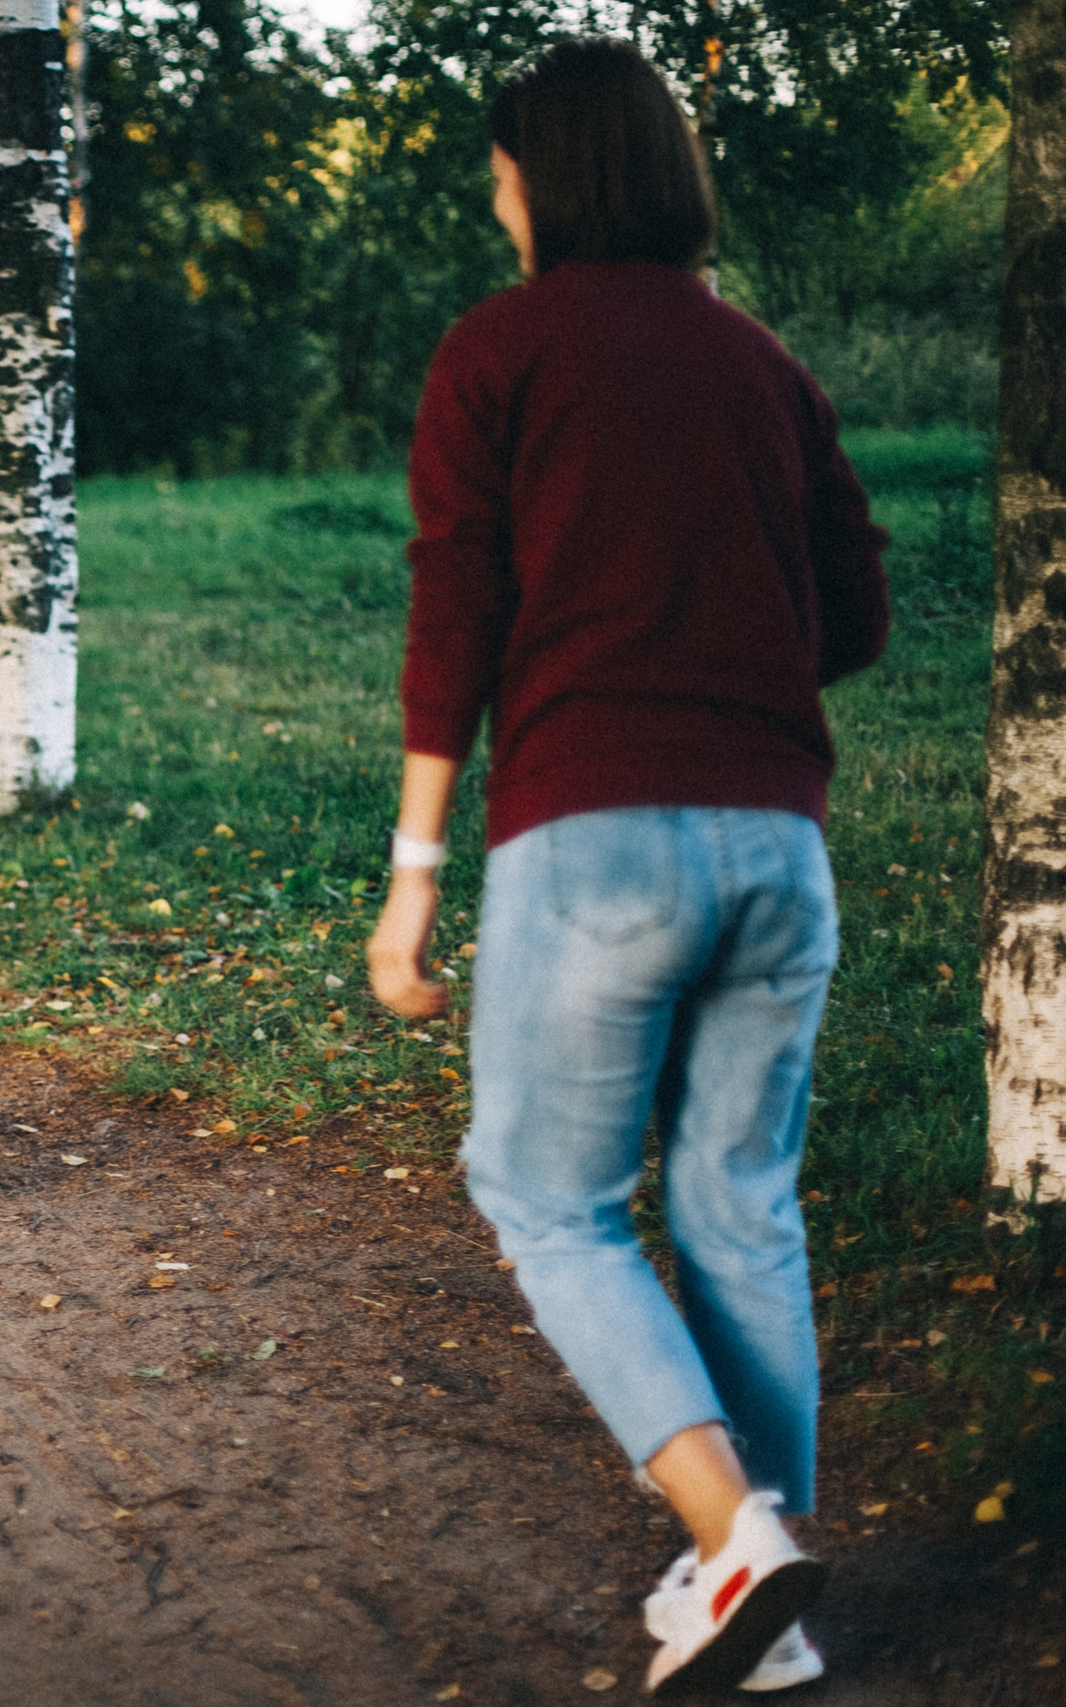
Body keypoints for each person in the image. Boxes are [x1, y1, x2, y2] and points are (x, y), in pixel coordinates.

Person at [366, 38, 889, 1697]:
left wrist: (416, 866)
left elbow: (457, 607)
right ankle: (765, 1592)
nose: (498, 208)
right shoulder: (763, 365)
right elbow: (858, 613)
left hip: (595, 840)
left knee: (546, 1195)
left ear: (549, 180)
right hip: (779, 845)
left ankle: (734, 1541)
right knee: (740, 1205)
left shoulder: (501, 350)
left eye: (503, 180)